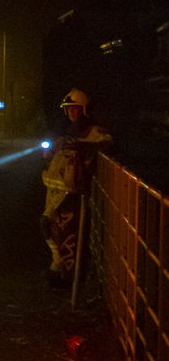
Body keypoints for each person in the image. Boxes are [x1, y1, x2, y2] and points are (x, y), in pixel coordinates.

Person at [40, 87, 112, 288]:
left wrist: (83, 146)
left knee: (57, 229)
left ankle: (64, 273)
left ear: (84, 110)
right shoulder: (68, 132)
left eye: (75, 109)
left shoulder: (92, 131)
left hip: (70, 193)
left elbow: (106, 142)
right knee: (53, 229)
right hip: (56, 190)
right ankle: (58, 269)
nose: (71, 113)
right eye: (69, 109)